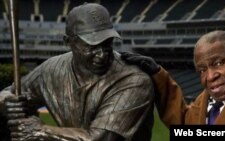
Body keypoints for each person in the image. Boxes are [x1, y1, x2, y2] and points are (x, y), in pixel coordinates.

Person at [0, 3, 154, 141]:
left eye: (107, 43)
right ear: (68, 42)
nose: (102, 54)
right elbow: (9, 93)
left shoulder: (135, 80)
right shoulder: (50, 69)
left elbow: (101, 139)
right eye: (91, 46)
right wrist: (7, 102)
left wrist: (41, 131)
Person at [121, 30, 225, 125]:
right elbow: (185, 122)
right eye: (202, 70)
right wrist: (157, 74)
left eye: (218, 63)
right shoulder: (207, 98)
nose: (210, 77)